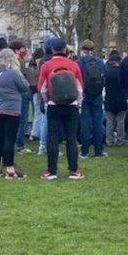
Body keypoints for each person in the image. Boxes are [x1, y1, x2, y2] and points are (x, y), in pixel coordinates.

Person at [37, 38, 84, 180]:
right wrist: (78, 103)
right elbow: (80, 88)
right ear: (65, 49)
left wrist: (47, 101)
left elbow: (42, 88)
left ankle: (52, 171)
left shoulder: (46, 65)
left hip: (53, 105)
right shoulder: (73, 65)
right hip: (71, 105)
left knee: (52, 137)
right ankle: (74, 170)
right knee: (71, 138)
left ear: (51, 50)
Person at [0, 48, 29, 179]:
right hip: (11, 109)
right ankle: (10, 168)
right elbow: (24, 87)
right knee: (9, 139)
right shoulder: (13, 73)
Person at [77, 40, 107, 159]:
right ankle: (99, 150)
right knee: (97, 122)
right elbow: (104, 77)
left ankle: (84, 151)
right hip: (97, 95)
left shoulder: (79, 62)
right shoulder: (100, 62)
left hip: (84, 95)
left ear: (82, 48)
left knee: (85, 123)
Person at [10, 39, 33, 153]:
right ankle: (20, 145)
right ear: (17, 50)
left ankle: (14, 143)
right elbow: (27, 75)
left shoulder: (8, 62)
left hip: (12, 94)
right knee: (22, 119)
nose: (25, 50)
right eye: (23, 48)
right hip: (22, 93)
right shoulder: (20, 62)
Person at [104, 51, 127, 147]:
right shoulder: (123, 73)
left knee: (109, 121)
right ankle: (120, 140)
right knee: (120, 121)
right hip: (121, 99)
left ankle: (109, 140)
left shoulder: (107, 73)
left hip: (109, 99)